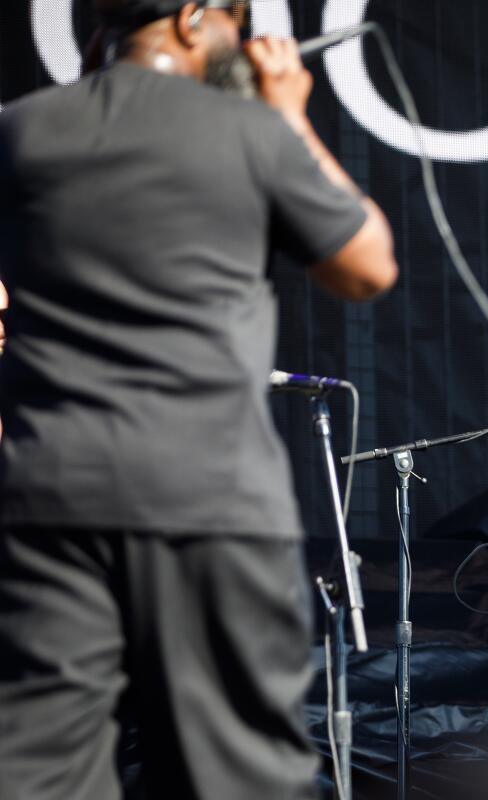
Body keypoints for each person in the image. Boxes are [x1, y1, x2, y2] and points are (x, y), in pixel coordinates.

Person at [0, 2, 398, 798]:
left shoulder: (21, 129)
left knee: (38, 772)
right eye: (233, 22)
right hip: (208, 496)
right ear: (190, 20)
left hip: (48, 498)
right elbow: (367, 265)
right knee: (237, 771)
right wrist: (287, 114)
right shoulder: (249, 131)